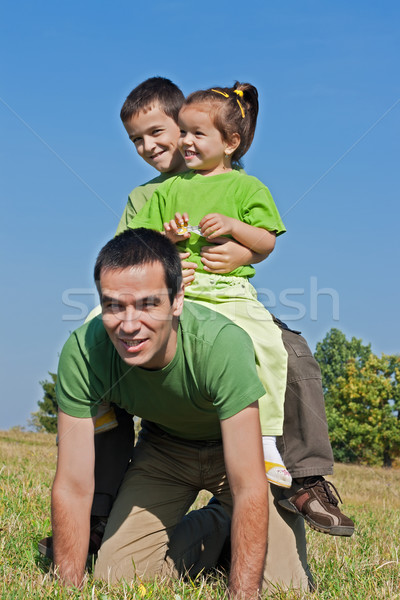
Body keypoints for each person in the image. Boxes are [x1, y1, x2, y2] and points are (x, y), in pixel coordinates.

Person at [51, 228, 311, 596]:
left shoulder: (222, 345)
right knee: (115, 580)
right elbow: (74, 485)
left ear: (177, 301)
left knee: (284, 590)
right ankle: (221, 527)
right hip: (164, 451)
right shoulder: (83, 352)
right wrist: (66, 589)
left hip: (237, 454)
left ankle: (234, 522)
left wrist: (242, 592)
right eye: (113, 305)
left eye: (148, 304)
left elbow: (248, 484)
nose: (128, 325)